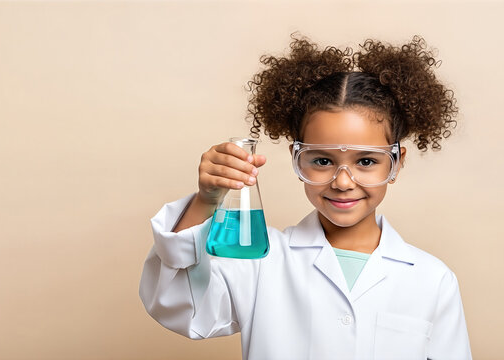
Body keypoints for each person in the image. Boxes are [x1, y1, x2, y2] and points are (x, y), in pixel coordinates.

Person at [139, 35, 472, 359]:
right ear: (297, 159)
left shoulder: (432, 279)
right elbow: (181, 306)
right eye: (322, 161)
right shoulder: (259, 260)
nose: (343, 182)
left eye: (366, 161)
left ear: (396, 163)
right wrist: (207, 199)